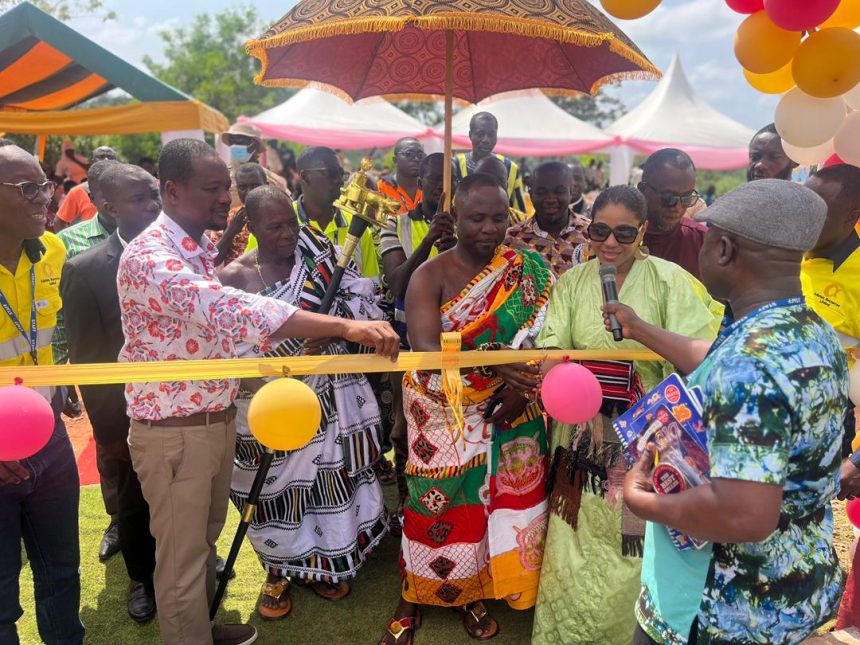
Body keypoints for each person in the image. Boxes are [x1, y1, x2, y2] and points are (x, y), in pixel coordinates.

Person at [118, 138, 399, 645]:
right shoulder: (153, 258)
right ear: (172, 190)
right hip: (175, 432)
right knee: (182, 560)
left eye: (224, 187)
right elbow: (236, 311)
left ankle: (200, 630)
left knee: (202, 545)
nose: (225, 199)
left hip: (213, 418)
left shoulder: (195, 250)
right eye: (212, 189)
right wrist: (343, 327)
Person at [607, 179, 845, 644]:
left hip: (721, 608)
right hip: (793, 588)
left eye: (707, 238)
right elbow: (717, 360)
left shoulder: (749, 364)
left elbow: (744, 516)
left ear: (723, 250)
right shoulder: (809, 330)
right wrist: (639, 328)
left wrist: (641, 502)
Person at [531, 185, 718, 645]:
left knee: (635, 543)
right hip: (581, 440)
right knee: (572, 535)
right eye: (599, 231)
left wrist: (640, 334)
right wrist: (559, 365)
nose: (610, 243)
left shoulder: (671, 281)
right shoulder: (572, 282)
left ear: (643, 230)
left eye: (624, 233)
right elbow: (550, 344)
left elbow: (701, 356)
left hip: (645, 440)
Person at [380, 174, 554, 644]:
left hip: (510, 402)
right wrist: (496, 360)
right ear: (454, 218)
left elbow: (543, 338)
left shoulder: (526, 270)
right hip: (441, 407)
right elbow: (426, 349)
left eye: (498, 218)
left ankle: (473, 590)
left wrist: (522, 386)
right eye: (476, 218)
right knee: (433, 501)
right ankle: (412, 594)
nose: (489, 228)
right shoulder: (429, 274)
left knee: (488, 501)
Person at [220, 186, 389, 619]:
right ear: (252, 226)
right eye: (274, 226)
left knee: (330, 480)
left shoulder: (318, 256)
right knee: (270, 492)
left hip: (330, 395)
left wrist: (331, 329)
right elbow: (228, 353)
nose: (287, 234)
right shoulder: (231, 279)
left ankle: (325, 564)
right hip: (270, 406)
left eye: (291, 224)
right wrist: (280, 368)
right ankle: (276, 570)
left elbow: (361, 301)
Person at [60, 163, 161, 623]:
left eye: (155, 195)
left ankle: (198, 557)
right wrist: (109, 434)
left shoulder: (184, 256)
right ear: (108, 207)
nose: (153, 206)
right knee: (135, 501)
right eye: (140, 199)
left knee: (187, 494)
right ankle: (142, 578)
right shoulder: (85, 270)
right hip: (127, 415)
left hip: (183, 406)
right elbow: (88, 360)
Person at [0, 144, 84, 644]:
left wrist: (61, 384)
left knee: (62, 571)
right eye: (27, 188)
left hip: (49, 440)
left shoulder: (52, 250)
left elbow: (45, 338)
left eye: (45, 186)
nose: (45, 199)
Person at [52, 158, 128, 561]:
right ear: (94, 198)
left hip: (153, 364)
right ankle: (118, 521)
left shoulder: (154, 235)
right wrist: (63, 369)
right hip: (100, 361)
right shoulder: (71, 242)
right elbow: (62, 313)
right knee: (109, 442)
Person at [378, 152, 456, 519]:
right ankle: (408, 504)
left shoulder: (468, 226)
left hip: (458, 344)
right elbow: (397, 283)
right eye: (435, 180)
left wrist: (455, 246)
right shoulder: (395, 225)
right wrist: (430, 242)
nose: (442, 188)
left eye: (449, 180)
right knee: (406, 426)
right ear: (421, 184)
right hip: (408, 344)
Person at [800, 165, 860, 630]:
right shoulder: (784, 254)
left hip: (830, 437)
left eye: (818, 210)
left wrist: (858, 459)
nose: (806, 217)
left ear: (852, 215)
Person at [247, 147, 380, 280]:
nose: (339, 180)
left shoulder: (357, 229)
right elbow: (253, 277)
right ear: (305, 177)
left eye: (341, 173)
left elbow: (372, 285)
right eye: (332, 173)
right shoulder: (271, 227)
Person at [505, 161, 589, 277]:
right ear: (531, 194)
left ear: (571, 192)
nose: (550, 199)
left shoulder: (590, 234)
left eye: (559, 191)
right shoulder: (511, 240)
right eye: (542, 192)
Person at [638, 148, 708, 279]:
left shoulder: (702, 243)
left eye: (687, 198)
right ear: (643, 190)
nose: (678, 207)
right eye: (668, 198)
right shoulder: (619, 236)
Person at [452, 112, 528, 213]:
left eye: (491, 134)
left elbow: (520, 215)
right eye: (480, 134)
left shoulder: (510, 168)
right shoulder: (454, 166)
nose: (486, 140)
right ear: (470, 135)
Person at [209, 163, 267, 266]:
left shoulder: (278, 215)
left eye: (255, 186)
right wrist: (231, 231)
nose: (249, 192)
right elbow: (212, 261)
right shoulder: (228, 217)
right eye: (243, 187)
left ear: (266, 185)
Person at [221, 122, 287, 208]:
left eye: (241, 141)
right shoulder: (223, 180)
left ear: (255, 145)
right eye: (232, 141)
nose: (235, 145)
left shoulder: (274, 182)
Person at [54, 146, 118, 231]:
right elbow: (59, 222)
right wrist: (68, 239)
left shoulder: (125, 190)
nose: (106, 160)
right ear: (93, 162)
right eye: (101, 156)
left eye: (110, 157)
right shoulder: (78, 192)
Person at [473, 155, 528, 225]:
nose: (491, 188)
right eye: (484, 181)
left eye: (498, 181)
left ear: (506, 185)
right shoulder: (463, 218)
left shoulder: (523, 223)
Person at [378, 138, 424, 213]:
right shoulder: (381, 188)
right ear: (395, 160)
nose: (416, 159)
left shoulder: (430, 189)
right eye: (409, 154)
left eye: (420, 155)